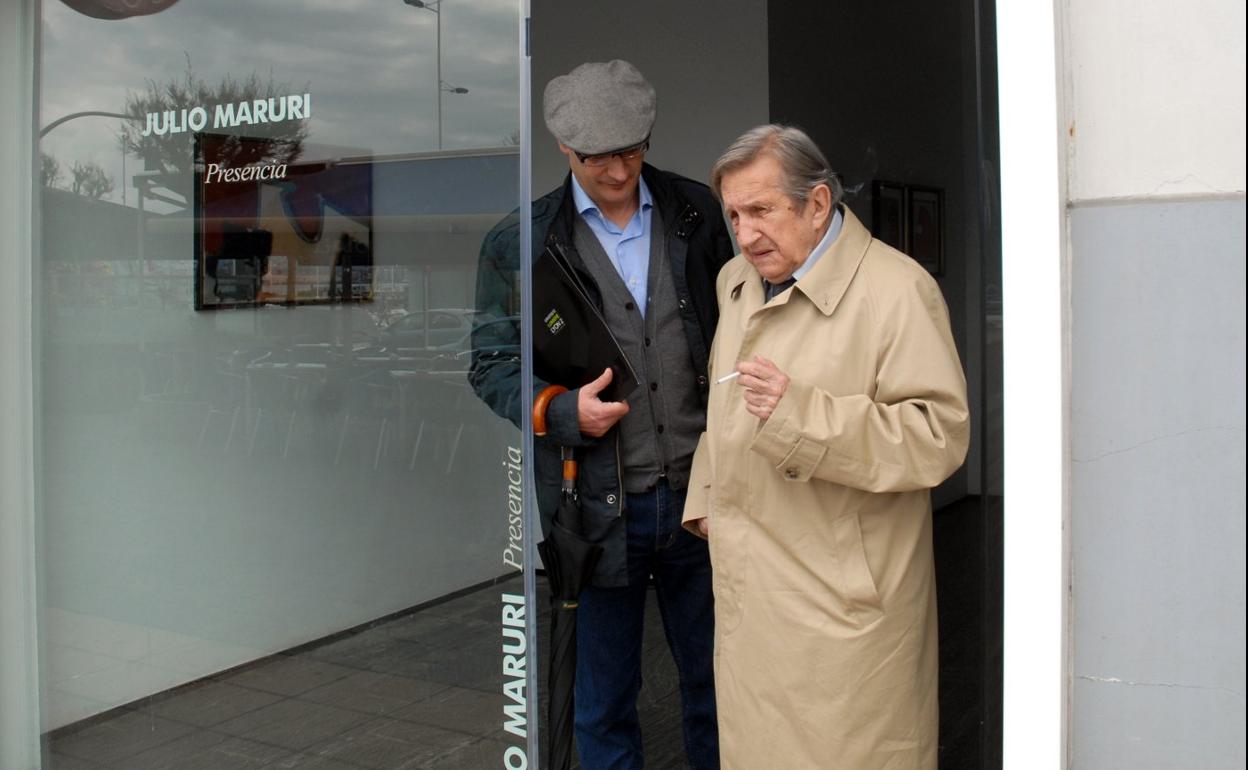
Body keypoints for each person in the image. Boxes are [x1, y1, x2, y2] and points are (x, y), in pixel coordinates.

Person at [470, 60, 733, 769]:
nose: (617, 171)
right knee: (603, 701)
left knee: (721, 685)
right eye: (597, 157)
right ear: (563, 148)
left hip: (706, 496)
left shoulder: (697, 213)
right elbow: (490, 364)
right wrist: (558, 412)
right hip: (592, 506)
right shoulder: (516, 243)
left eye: (631, 150)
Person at [683, 125, 970, 769]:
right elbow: (725, 407)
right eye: (733, 214)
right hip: (750, 587)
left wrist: (800, 415)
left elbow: (937, 437)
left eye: (761, 210)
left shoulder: (897, 289)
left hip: (842, 610)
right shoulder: (737, 280)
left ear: (817, 205)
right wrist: (706, 496)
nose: (745, 233)